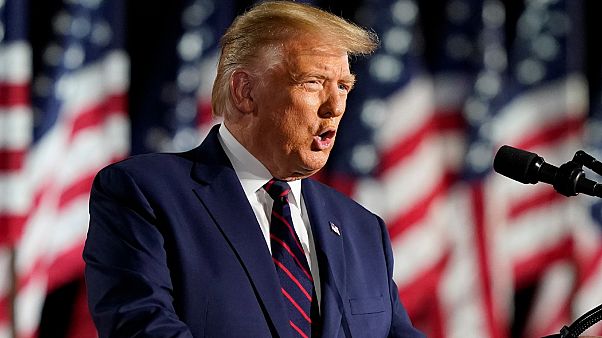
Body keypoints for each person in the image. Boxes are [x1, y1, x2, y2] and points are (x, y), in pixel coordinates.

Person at [83, 1, 425, 337]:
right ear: (245, 92)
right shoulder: (145, 193)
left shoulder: (362, 229)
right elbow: (142, 325)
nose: (335, 106)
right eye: (313, 82)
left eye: (343, 86)